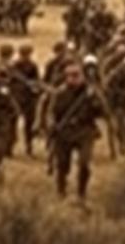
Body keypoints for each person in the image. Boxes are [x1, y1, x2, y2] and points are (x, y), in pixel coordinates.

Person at [46, 61, 106, 201]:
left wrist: (94, 101)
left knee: (84, 163)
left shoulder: (91, 93)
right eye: (69, 75)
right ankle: (61, 190)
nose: (72, 79)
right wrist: (52, 125)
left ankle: (81, 192)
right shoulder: (60, 93)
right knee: (62, 164)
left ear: (82, 76)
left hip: (84, 131)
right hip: (64, 132)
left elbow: (103, 112)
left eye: (76, 75)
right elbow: (51, 112)